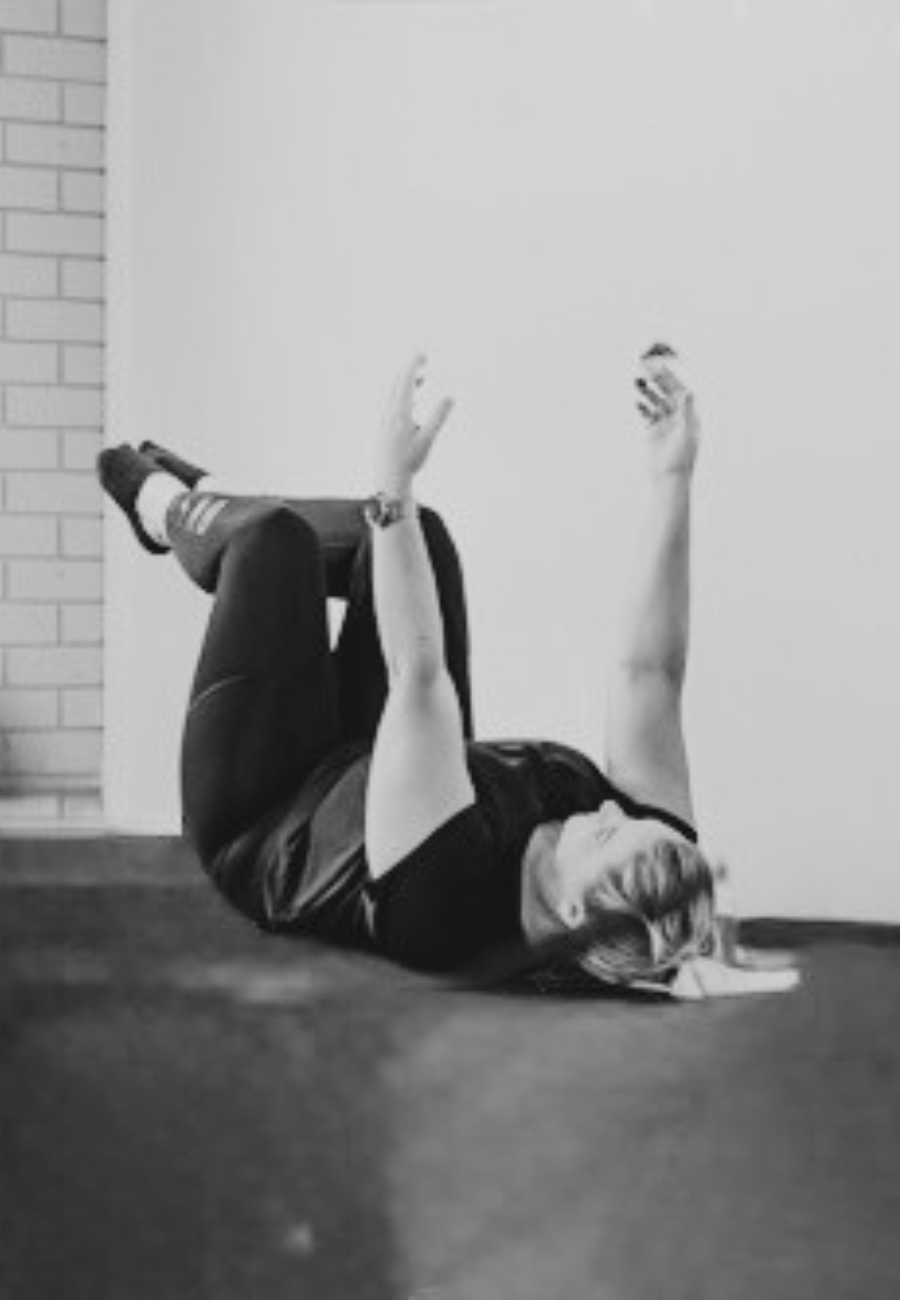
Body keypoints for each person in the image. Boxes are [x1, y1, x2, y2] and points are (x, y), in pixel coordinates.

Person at [97, 348, 799, 1000]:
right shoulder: (650, 868)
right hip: (370, 761)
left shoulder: (442, 905)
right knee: (420, 537)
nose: (615, 808)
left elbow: (420, 672)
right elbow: (652, 671)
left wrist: (390, 478)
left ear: (576, 911)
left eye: (610, 833)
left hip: (268, 811)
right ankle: (219, 504)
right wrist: (673, 475)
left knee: (270, 543)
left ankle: (165, 510)